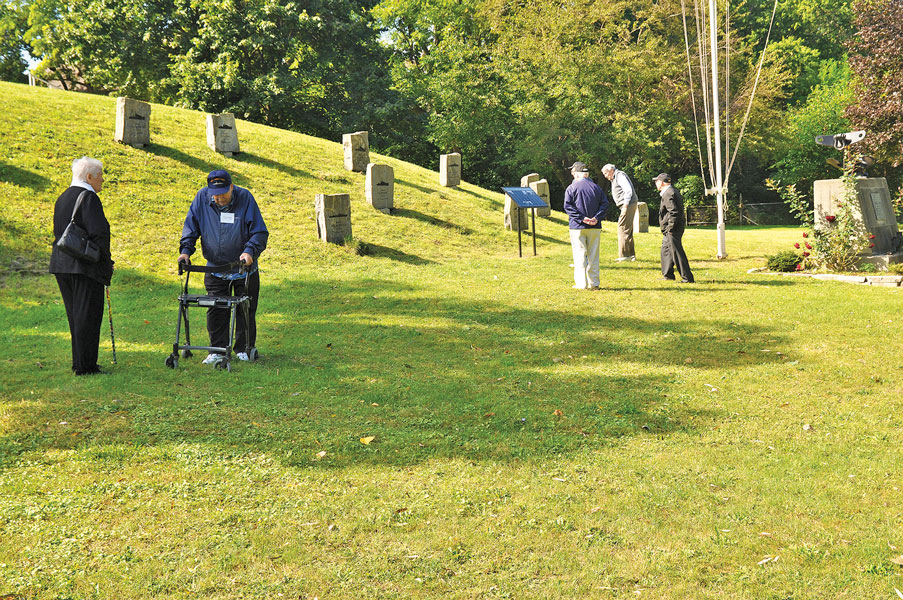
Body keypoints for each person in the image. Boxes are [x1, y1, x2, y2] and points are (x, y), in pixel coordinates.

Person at [178, 170, 269, 363]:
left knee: (245, 310)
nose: (218, 198)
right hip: (215, 269)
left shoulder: (245, 198)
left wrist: (250, 252)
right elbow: (191, 227)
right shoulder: (202, 198)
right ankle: (216, 350)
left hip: (243, 269)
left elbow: (259, 232)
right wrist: (185, 251)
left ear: (231, 187)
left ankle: (244, 348)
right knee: (216, 310)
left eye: (222, 194)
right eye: (215, 194)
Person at [49, 156, 115, 375]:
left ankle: (79, 362)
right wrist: (106, 263)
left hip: (62, 263)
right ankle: (86, 366)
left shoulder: (63, 197)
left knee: (75, 315)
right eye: (100, 175)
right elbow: (99, 233)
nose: (102, 180)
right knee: (88, 315)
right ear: (89, 177)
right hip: (84, 266)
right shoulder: (89, 198)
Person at [563, 161, 609, 290]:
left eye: (573, 172)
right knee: (593, 255)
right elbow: (604, 204)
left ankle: (581, 284)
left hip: (577, 227)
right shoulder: (596, 188)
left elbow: (568, 206)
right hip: (595, 226)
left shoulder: (571, 188)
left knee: (579, 255)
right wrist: (596, 218)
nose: (572, 174)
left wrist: (582, 218)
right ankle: (594, 283)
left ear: (577, 174)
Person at [653, 173, 694, 283]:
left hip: (673, 228)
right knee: (665, 251)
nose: (656, 183)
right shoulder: (671, 191)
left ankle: (687, 278)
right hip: (672, 227)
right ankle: (668, 275)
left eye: (657, 181)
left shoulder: (668, 193)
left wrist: (670, 227)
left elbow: (674, 212)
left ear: (662, 182)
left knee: (677, 253)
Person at [602, 163, 638, 261]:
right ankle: (631, 255)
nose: (605, 176)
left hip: (628, 204)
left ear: (611, 170)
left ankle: (624, 256)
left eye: (605, 173)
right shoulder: (615, 177)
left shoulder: (620, 176)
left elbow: (628, 191)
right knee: (627, 229)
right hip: (628, 204)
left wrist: (625, 206)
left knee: (622, 228)